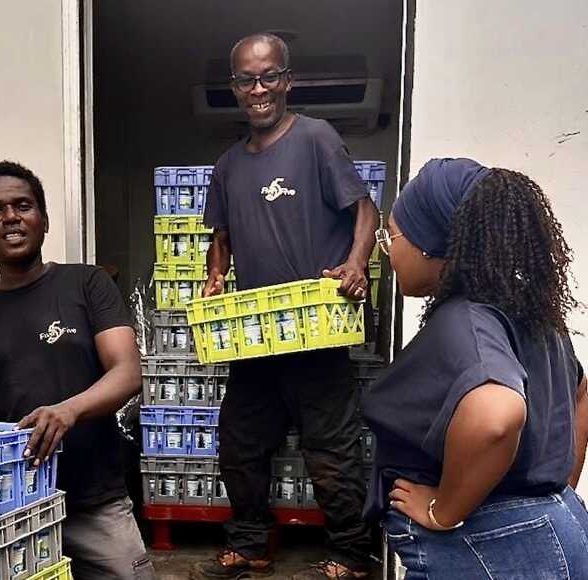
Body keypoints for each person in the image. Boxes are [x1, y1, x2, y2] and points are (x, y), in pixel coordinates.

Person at [0, 161, 155, 580]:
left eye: (23, 205)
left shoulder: (87, 284)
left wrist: (68, 410)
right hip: (9, 511)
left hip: (94, 502)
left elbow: (127, 373)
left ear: (44, 219)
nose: (11, 217)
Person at [191, 33, 380, 580]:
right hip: (256, 335)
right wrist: (214, 275)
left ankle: (349, 552)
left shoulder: (317, 139)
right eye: (247, 80)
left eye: (269, 76)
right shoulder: (227, 165)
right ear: (233, 88)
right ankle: (250, 544)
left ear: (288, 80)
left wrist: (356, 263)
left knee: (332, 449)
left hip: (316, 329)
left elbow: (364, 210)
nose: (258, 89)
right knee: (240, 443)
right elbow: (220, 236)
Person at [363, 158, 588, 578]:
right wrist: (552, 491)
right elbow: (581, 391)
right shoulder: (527, 311)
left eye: (390, 236)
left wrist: (443, 510)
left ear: (430, 245)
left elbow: (495, 417)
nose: (388, 250)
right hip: (549, 532)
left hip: (488, 550)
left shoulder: (466, 321)